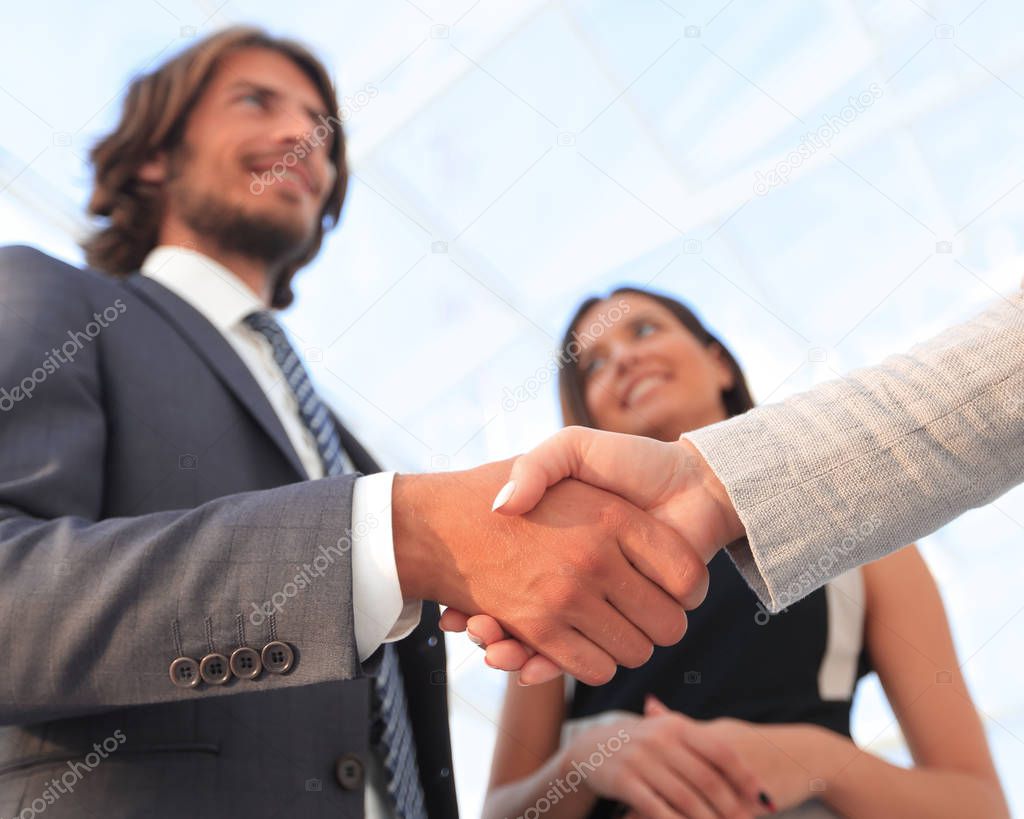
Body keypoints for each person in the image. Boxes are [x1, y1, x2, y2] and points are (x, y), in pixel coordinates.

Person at [0, 28, 716, 819]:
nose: (300, 137)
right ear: (151, 157)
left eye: (320, 127)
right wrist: (396, 534)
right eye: (255, 101)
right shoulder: (54, 300)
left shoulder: (350, 449)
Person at [464, 288, 1010, 818]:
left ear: (719, 362)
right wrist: (587, 764)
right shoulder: (565, 575)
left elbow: (979, 806)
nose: (624, 358)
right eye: (595, 366)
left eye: (645, 330)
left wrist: (817, 760)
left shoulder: (866, 543)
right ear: (588, 423)